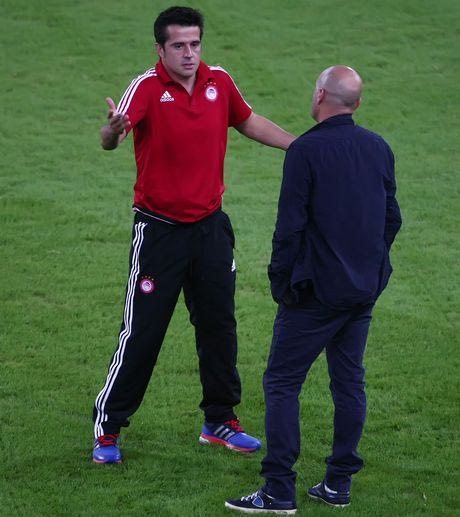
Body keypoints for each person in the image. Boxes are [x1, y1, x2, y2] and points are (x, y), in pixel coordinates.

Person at [92, 6, 295, 464]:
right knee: (142, 333)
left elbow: (247, 120)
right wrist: (111, 130)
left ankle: (219, 421)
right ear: (160, 48)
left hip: (210, 230)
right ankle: (108, 429)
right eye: (179, 45)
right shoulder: (146, 87)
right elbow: (113, 137)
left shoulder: (218, 81)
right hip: (159, 233)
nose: (189, 53)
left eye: (195, 44)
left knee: (219, 327)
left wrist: (297, 145)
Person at [225, 65, 402, 513]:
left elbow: (290, 227)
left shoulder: (305, 151)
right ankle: (338, 484)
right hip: (362, 291)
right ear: (356, 103)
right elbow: (391, 218)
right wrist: (372, 270)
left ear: (321, 95)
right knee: (349, 382)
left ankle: (278, 490)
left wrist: (280, 282)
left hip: (314, 295)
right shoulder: (378, 147)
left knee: (282, 382)